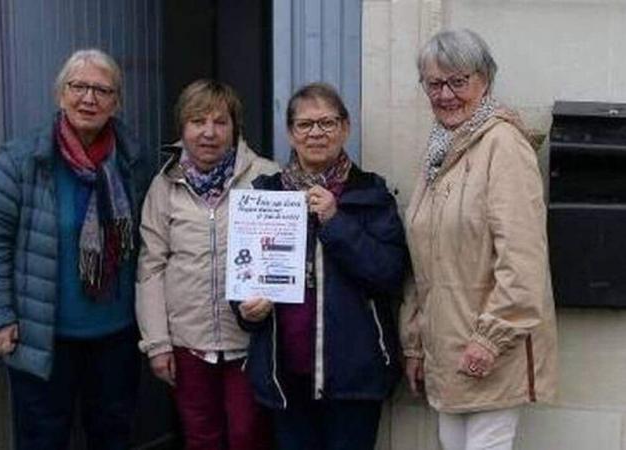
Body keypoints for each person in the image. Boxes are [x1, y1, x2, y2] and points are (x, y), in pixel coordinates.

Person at [0, 49, 157, 449]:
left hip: (116, 338)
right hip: (41, 338)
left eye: (102, 90)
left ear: (116, 102)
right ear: (60, 95)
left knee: (113, 437)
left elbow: (153, 244)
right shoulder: (23, 160)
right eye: (78, 87)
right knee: (42, 439)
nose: (89, 99)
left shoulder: (133, 161)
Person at [400, 29, 558, 450]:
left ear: (485, 80)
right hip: (447, 350)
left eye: (458, 81)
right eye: (435, 83)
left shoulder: (503, 145)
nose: (446, 94)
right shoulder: (439, 152)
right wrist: (416, 343)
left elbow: (523, 262)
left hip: (490, 351)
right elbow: (424, 260)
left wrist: (490, 339)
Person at [236, 82, 408, 450]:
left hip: (353, 378)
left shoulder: (372, 194)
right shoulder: (264, 195)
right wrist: (247, 311)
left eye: (327, 123)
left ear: (345, 128)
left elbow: (389, 274)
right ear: (290, 132)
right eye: (305, 124)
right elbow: (243, 277)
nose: (316, 133)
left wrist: (335, 220)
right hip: (286, 376)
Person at [136, 79, 277, 450]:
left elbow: (286, 257)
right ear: (183, 128)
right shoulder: (164, 186)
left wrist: (269, 302)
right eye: (198, 122)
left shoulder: (267, 177)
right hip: (188, 344)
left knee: (249, 436)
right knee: (201, 438)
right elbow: (151, 267)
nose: (209, 133)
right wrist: (157, 344)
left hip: (248, 340)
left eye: (220, 122)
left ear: (235, 128)